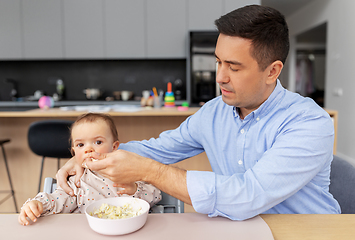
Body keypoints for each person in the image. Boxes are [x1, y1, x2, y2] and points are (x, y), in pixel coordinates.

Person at [56, 5, 341, 220]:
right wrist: (94, 156)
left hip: (308, 232)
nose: (220, 77)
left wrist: (149, 172)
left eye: (234, 66)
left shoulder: (309, 122)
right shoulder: (214, 113)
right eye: (218, 62)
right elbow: (159, 149)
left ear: (272, 71)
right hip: (240, 230)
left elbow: (248, 196)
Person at [18, 113, 161, 226]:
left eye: (98, 142)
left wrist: (134, 189)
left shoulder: (127, 171)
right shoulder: (77, 182)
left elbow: (156, 196)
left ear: (115, 146)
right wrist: (38, 204)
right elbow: (58, 201)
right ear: (73, 152)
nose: (88, 149)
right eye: (81, 145)